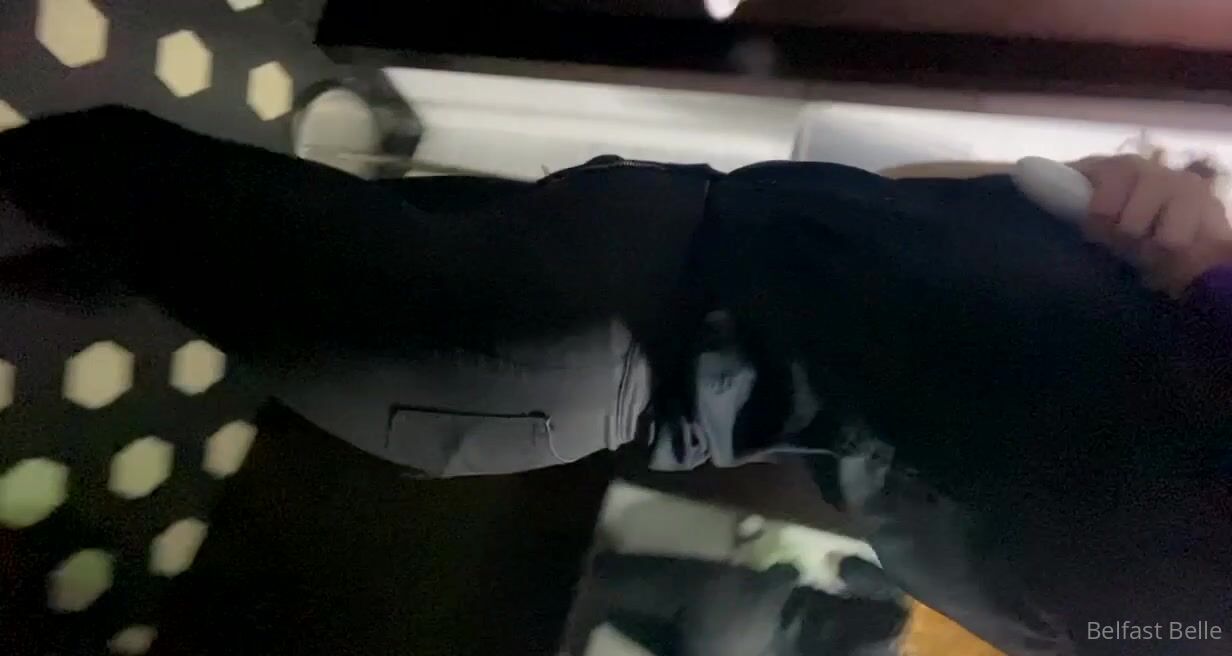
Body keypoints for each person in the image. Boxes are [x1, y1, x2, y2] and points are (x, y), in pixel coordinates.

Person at [1, 106, 1229, 655]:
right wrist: (1133, 212)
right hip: (652, 221)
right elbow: (913, 206)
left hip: (556, 340)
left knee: (114, 181)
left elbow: (977, 539)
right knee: (167, 226)